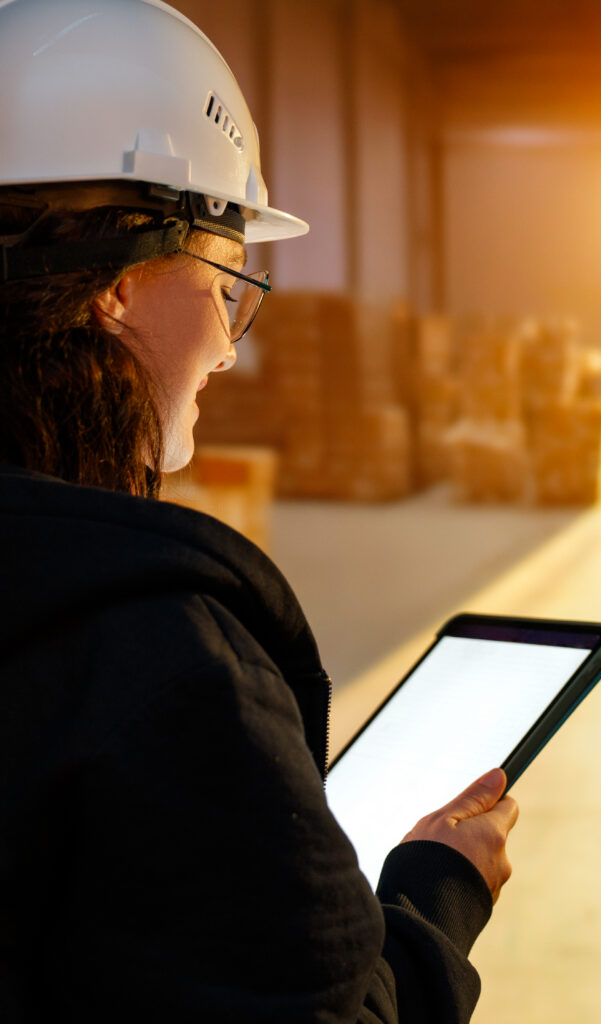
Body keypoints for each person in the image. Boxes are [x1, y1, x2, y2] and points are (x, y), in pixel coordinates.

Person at [0, 1, 518, 1020]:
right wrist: (435, 893)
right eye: (227, 283)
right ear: (118, 282)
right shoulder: (160, 667)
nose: (229, 349)